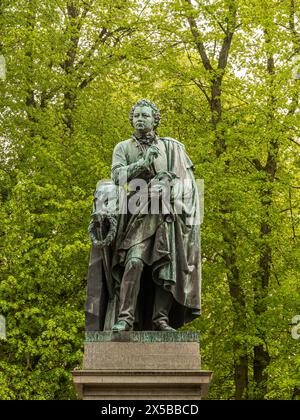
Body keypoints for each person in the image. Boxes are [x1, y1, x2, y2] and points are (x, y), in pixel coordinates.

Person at [85, 99, 201, 332]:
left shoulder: (171, 148)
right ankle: (126, 318)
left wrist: (167, 183)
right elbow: (118, 177)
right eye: (136, 115)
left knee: (165, 265)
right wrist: (141, 163)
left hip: (165, 214)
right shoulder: (123, 147)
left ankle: (161, 320)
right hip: (136, 216)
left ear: (155, 120)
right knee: (134, 262)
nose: (140, 119)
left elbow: (185, 183)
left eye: (145, 116)